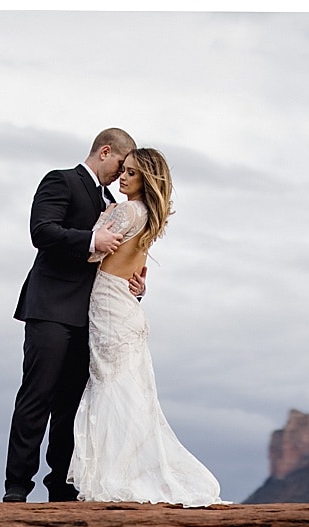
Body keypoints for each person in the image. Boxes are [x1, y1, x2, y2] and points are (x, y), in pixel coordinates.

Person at [67, 148, 228, 507]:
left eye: (132, 174)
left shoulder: (125, 211)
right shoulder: (150, 217)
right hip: (127, 306)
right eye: (123, 171)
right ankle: (127, 470)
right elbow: (133, 265)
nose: (123, 178)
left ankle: (113, 475)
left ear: (147, 181)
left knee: (111, 387)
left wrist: (102, 220)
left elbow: (93, 252)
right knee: (130, 391)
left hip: (109, 304)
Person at [4, 128, 145, 503]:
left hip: (92, 317)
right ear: (104, 151)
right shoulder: (60, 180)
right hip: (49, 308)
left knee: (72, 406)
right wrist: (90, 241)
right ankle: (17, 488)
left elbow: (115, 264)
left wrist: (134, 289)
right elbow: (41, 231)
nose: (121, 175)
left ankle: (61, 487)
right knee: (37, 397)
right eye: (120, 165)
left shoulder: (115, 205)